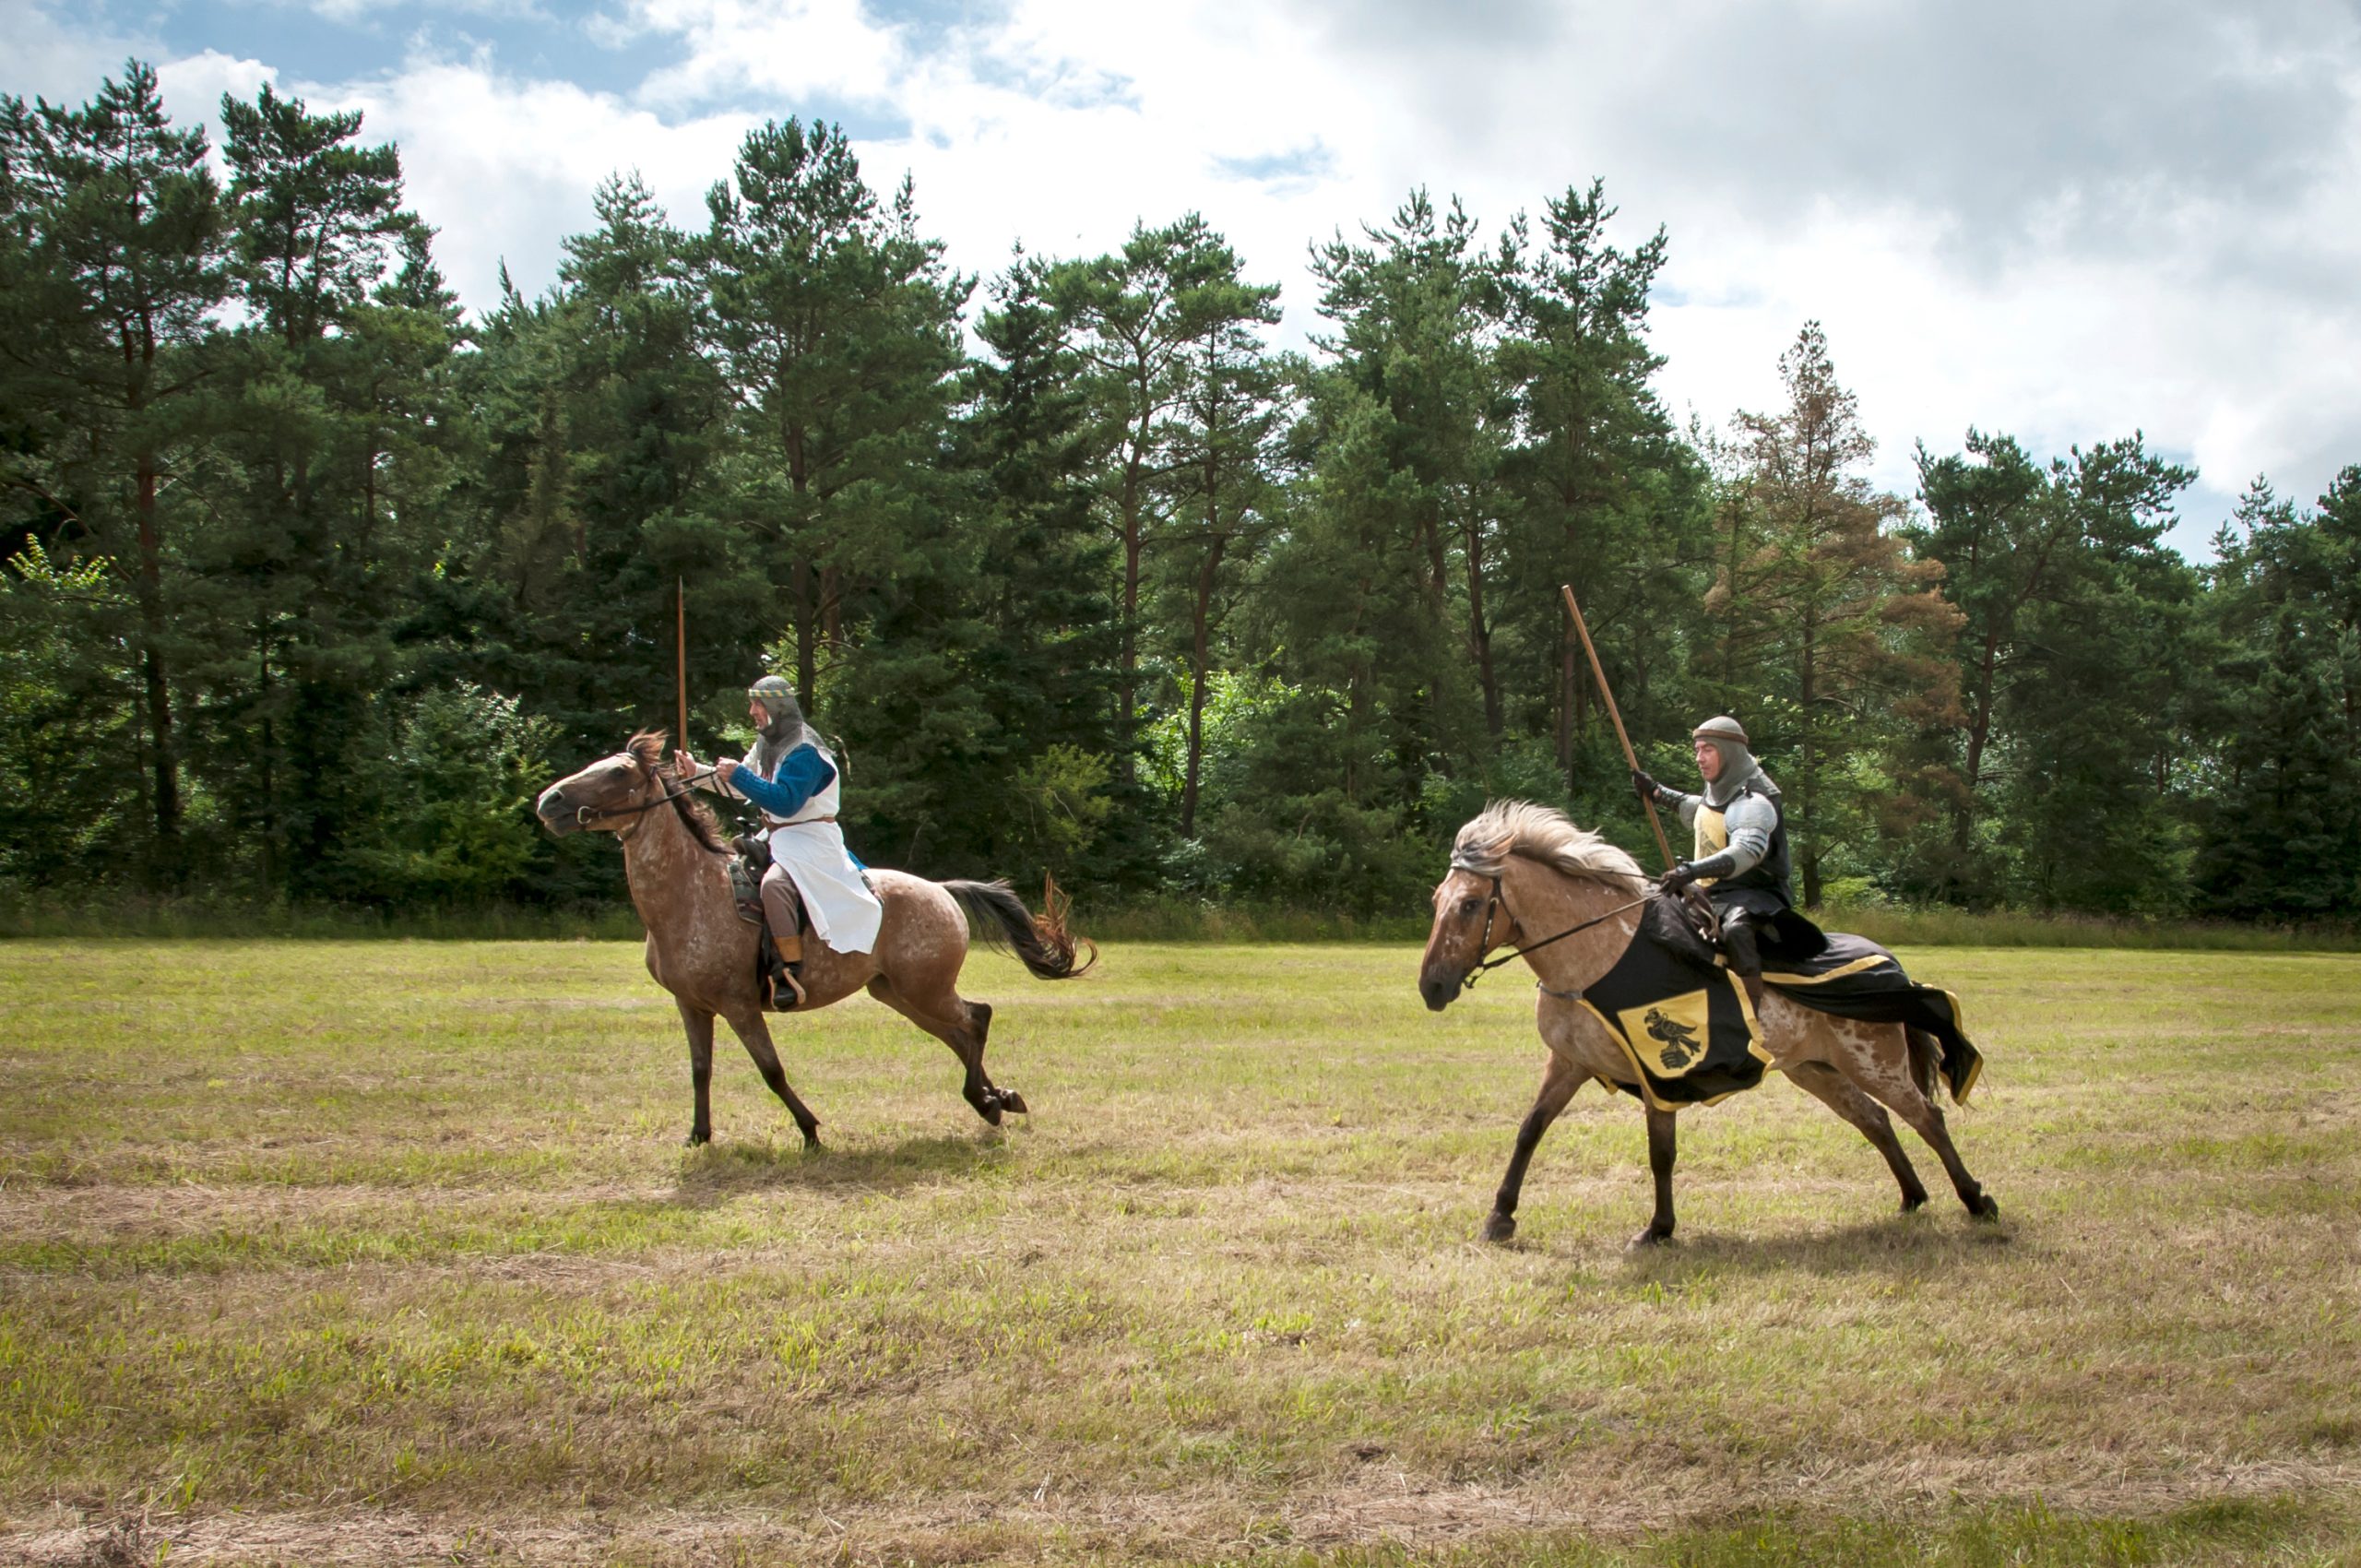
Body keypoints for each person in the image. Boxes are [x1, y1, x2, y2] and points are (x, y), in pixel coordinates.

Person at [679, 676, 882, 1008]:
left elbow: (786, 802)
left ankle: (788, 970)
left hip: (810, 839)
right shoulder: (766, 743)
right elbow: (741, 786)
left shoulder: (805, 751)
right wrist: (696, 772)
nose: (752, 711)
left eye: (758, 704)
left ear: (777, 707)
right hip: (777, 836)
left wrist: (739, 774)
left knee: (774, 886)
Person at [1631, 715, 1823, 1009]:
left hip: (1754, 894)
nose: (1699, 758)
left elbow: (1745, 851)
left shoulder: (1755, 799)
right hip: (1712, 890)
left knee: (1736, 930)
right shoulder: (1723, 788)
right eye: (1697, 749)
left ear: (1729, 752)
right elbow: (1703, 811)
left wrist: (1690, 871)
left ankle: (1750, 1009)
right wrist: (1657, 792)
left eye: (1707, 749)